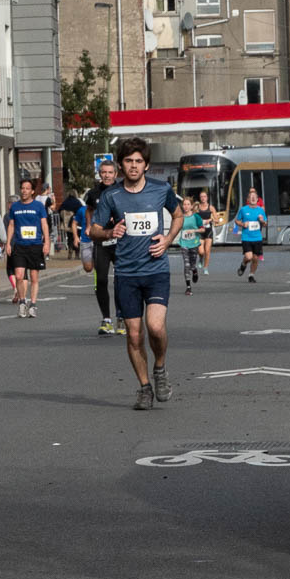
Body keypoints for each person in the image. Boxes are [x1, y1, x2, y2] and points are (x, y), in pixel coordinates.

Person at [88, 137, 183, 410]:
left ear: (147, 165)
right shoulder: (111, 196)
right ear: (121, 165)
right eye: (128, 161)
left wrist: (167, 240)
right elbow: (93, 230)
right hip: (127, 273)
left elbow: (178, 215)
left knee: (154, 326)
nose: (133, 165)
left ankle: (160, 368)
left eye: (138, 161)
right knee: (133, 335)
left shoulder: (160, 189)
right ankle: (144, 388)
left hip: (156, 269)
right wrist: (109, 232)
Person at [85, 159, 122, 335]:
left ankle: (122, 318)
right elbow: (90, 210)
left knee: (122, 280)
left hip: (120, 242)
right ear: (100, 174)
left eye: (110, 172)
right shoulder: (93, 193)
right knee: (101, 280)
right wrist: (88, 226)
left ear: (116, 174)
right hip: (101, 241)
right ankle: (106, 319)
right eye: (104, 172)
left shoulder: (122, 190)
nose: (107, 175)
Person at [4, 178, 49, 317]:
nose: (24, 191)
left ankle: (33, 305)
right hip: (19, 246)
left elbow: (44, 225)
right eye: (22, 188)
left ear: (33, 191)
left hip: (35, 245)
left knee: (34, 277)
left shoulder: (38, 206)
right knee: (19, 276)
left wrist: (46, 242)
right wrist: (8, 243)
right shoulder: (15, 207)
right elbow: (11, 225)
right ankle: (22, 303)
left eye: (27, 188)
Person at [235, 187, 268, 283]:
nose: (253, 199)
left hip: (257, 238)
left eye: (255, 197)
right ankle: (243, 264)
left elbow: (265, 223)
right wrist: (242, 224)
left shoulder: (261, 210)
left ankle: (251, 275)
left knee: (255, 258)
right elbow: (237, 220)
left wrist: (262, 221)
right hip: (247, 237)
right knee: (249, 257)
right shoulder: (243, 210)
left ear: (258, 199)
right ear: (248, 200)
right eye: (251, 197)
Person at [178, 197, 203, 296]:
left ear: (192, 206)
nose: (186, 206)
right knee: (186, 265)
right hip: (184, 243)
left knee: (192, 264)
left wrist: (194, 231)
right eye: (184, 204)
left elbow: (202, 229)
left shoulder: (196, 217)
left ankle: (195, 270)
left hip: (194, 242)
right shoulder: (180, 217)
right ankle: (188, 287)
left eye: (188, 204)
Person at [196, 190, 216, 274]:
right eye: (201, 197)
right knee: (201, 251)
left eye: (204, 196)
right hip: (200, 231)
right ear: (200, 198)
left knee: (207, 251)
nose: (203, 198)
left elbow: (217, 219)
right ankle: (200, 258)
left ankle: (205, 268)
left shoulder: (211, 207)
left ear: (207, 198)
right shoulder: (197, 208)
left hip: (208, 231)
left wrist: (210, 219)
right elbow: (193, 218)